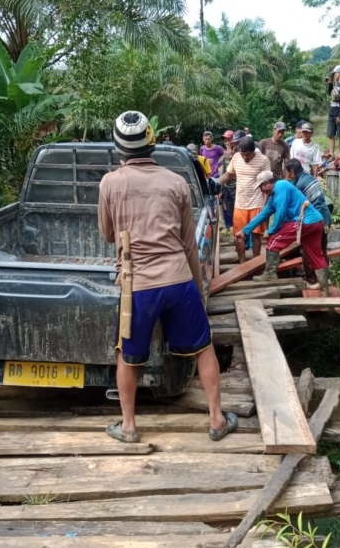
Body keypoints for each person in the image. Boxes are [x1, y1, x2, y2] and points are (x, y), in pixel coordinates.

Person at [98, 110, 238, 444]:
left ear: (119, 149)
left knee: (128, 356)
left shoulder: (110, 183)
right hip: (178, 280)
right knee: (203, 348)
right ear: (153, 143)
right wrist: (198, 293)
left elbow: (107, 234)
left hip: (138, 287)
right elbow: (189, 244)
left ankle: (129, 426)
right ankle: (217, 420)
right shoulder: (176, 183)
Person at [236, 170, 329, 293]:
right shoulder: (274, 197)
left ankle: (269, 274)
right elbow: (262, 215)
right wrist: (244, 231)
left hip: (304, 221)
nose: (261, 190)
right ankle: (324, 287)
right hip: (316, 221)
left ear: (267, 183)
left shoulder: (281, 186)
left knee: (273, 241)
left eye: (261, 187)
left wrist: (271, 230)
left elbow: (281, 212)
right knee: (316, 254)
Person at [217, 136, 270, 264]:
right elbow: (228, 175)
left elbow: (268, 184)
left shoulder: (263, 160)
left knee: (256, 234)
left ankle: (255, 263)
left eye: (248, 155)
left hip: (257, 203)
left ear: (254, 151)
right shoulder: (236, 158)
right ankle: (242, 263)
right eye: (243, 154)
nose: (245, 157)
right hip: (240, 203)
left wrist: (265, 204)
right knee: (238, 235)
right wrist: (215, 184)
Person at [285, 158, 331, 287]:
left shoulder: (299, 184)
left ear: (293, 172)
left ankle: (312, 281)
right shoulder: (309, 177)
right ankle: (324, 279)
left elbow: (296, 207)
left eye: (289, 173)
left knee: (308, 250)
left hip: (314, 221)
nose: (288, 176)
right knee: (322, 250)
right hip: (325, 218)